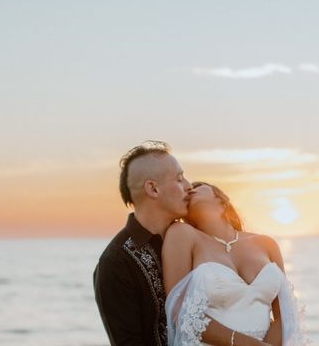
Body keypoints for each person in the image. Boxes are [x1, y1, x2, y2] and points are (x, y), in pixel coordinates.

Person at [94, 141, 273, 346]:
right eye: (179, 179)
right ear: (153, 188)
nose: (189, 186)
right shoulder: (117, 262)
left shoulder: (198, 239)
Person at [163, 181, 307, 346]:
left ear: (222, 201)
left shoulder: (266, 244)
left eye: (196, 187)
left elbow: (284, 314)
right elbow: (178, 311)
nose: (189, 189)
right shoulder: (182, 234)